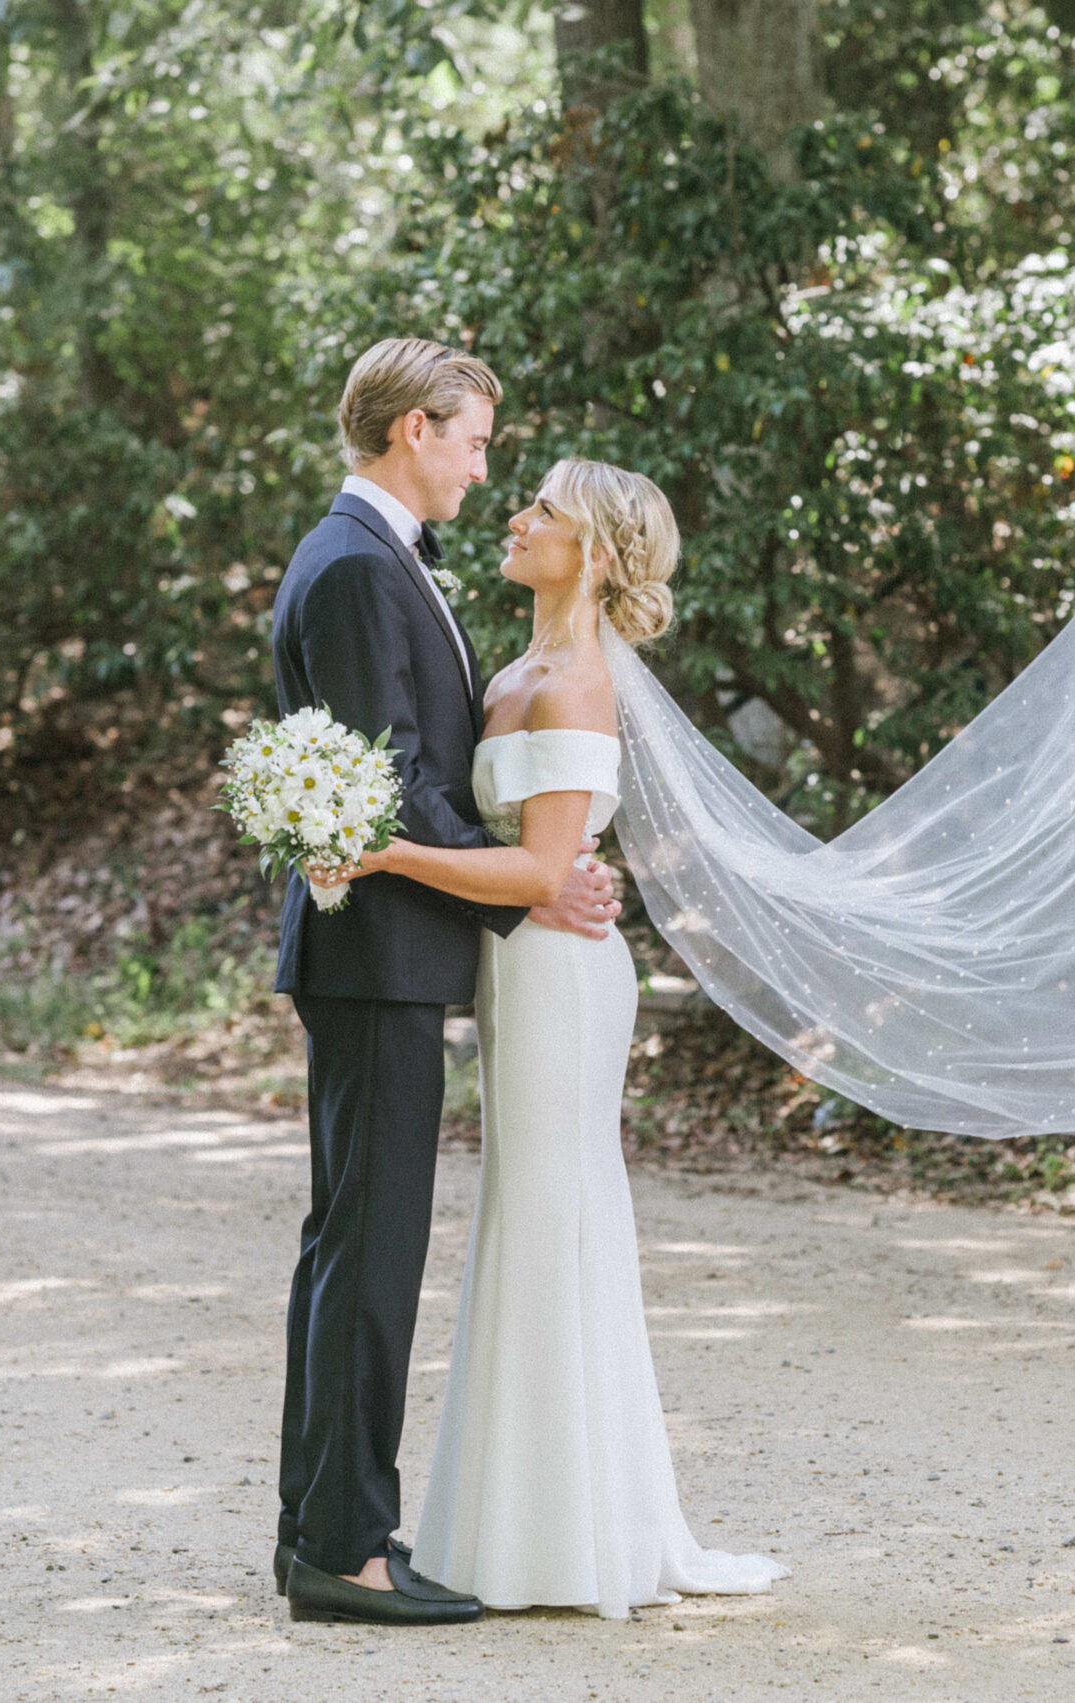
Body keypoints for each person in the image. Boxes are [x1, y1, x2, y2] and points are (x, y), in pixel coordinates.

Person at [334, 458, 787, 1617]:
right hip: (514, 963)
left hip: (561, 976)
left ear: (589, 551)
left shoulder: (577, 683)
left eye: (543, 510)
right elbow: (531, 855)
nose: (517, 515)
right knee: (524, 1220)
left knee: (550, 1217)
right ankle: (522, 1524)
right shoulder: (515, 670)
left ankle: (568, 1537)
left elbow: (541, 868)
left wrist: (377, 851)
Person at [268, 339, 624, 1628]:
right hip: (379, 958)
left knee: (350, 1245)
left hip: (386, 953)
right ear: (414, 429)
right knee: (367, 1253)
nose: (485, 466)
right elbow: (397, 778)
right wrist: (530, 877)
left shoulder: (366, 557)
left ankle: (324, 1526)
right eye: (473, 439)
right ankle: (344, 1551)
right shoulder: (362, 568)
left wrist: (524, 875)